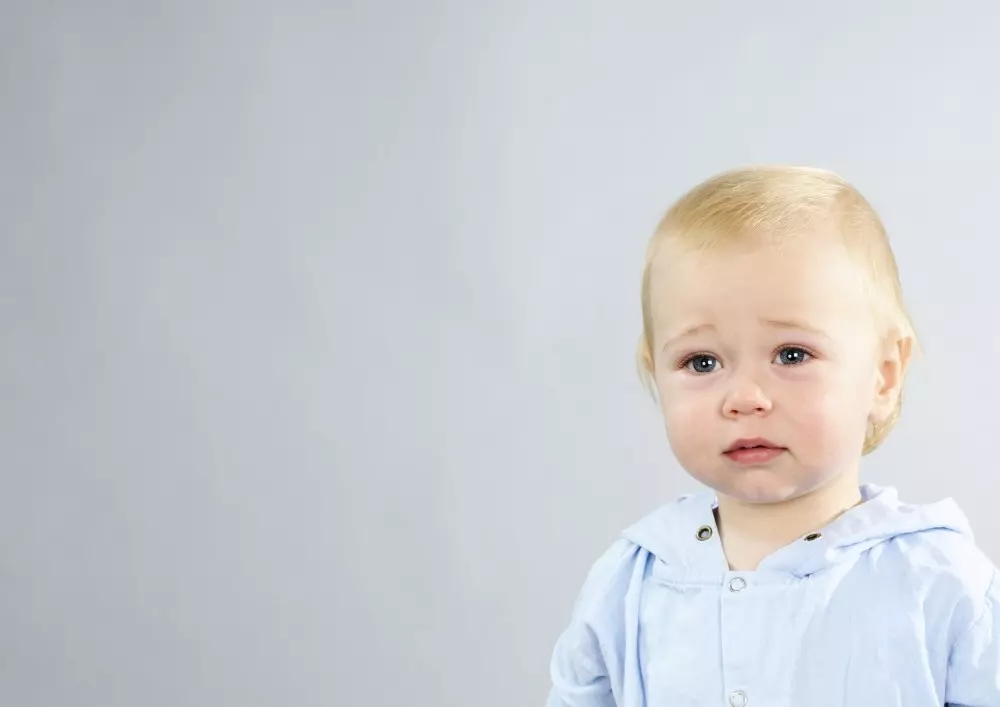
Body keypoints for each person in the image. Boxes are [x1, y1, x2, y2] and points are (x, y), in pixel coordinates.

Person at [545, 166, 1000, 707]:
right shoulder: (630, 583)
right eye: (702, 361)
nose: (745, 397)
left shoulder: (941, 585)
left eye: (792, 354)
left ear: (882, 376)